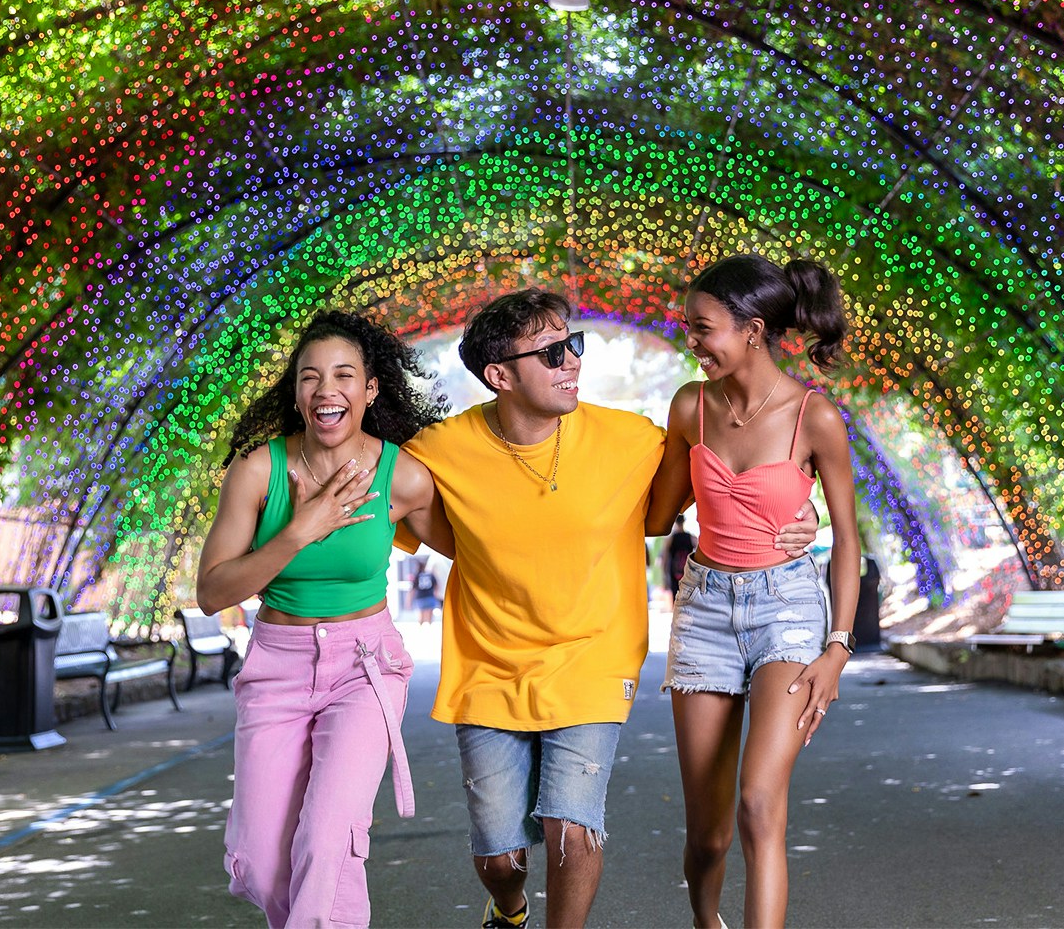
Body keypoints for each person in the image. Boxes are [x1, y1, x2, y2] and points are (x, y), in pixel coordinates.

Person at [403, 289, 819, 929]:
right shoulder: (439, 451)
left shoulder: (629, 438)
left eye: (574, 344)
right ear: (499, 376)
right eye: (550, 352)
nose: (571, 360)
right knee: (500, 854)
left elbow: (715, 479)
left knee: (572, 827)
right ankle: (508, 907)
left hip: (593, 659)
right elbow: (395, 508)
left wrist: (794, 511)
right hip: (488, 667)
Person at [196, 311, 453, 928]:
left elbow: (476, 551)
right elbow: (211, 591)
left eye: (344, 375)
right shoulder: (259, 472)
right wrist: (297, 532)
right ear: (296, 393)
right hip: (276, 666)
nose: (325, 389)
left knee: (327, 843)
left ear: (370, 390)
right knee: (260, 863)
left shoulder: (404, 478)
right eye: (310, 377)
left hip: (363, 668)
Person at [646, 254, 861, 929]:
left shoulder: (814, 416)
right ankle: (705, 921)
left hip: (789, 611)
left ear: (752, 329)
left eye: (702, 327)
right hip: (706, 606)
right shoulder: (691, 407)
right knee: (707, 837)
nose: (691, 340)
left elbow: (849, 542)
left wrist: (838, 647)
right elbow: (657, 517)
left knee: (760, 804)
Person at [663, 514, 696, 597]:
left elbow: (665, 559)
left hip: (674, 571)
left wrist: (664, 575)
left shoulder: (670, 539)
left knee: (675, 597)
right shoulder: (691, 538)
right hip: (687, 572)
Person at [412, 561, 440, 625]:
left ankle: (420, 629)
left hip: (420, 597)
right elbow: (436, 585)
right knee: (430, 615)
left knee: (421, 615)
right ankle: (430, 628)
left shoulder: (417, 576)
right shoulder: (431, 575)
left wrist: (409, 600)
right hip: (430, 596)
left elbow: (413, 588)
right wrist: (436, 594)